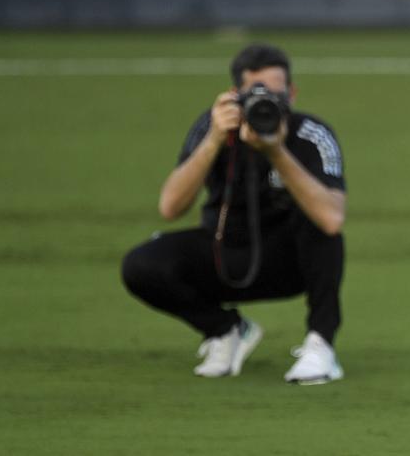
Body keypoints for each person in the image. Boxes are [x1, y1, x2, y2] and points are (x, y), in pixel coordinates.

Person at [121, 43, 347, 384]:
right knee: (141, 264)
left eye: (274, 93)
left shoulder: (311, 134)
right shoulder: (213, 128)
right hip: (224, 255)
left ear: (292, 93)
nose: (266, 102)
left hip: (289, 263)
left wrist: (276, 151)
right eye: (255, 93)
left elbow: (333, 218)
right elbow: (170, 207)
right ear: (234, 95)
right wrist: (213, 138)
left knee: (321, 228)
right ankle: (225, 330)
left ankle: (321, 346)